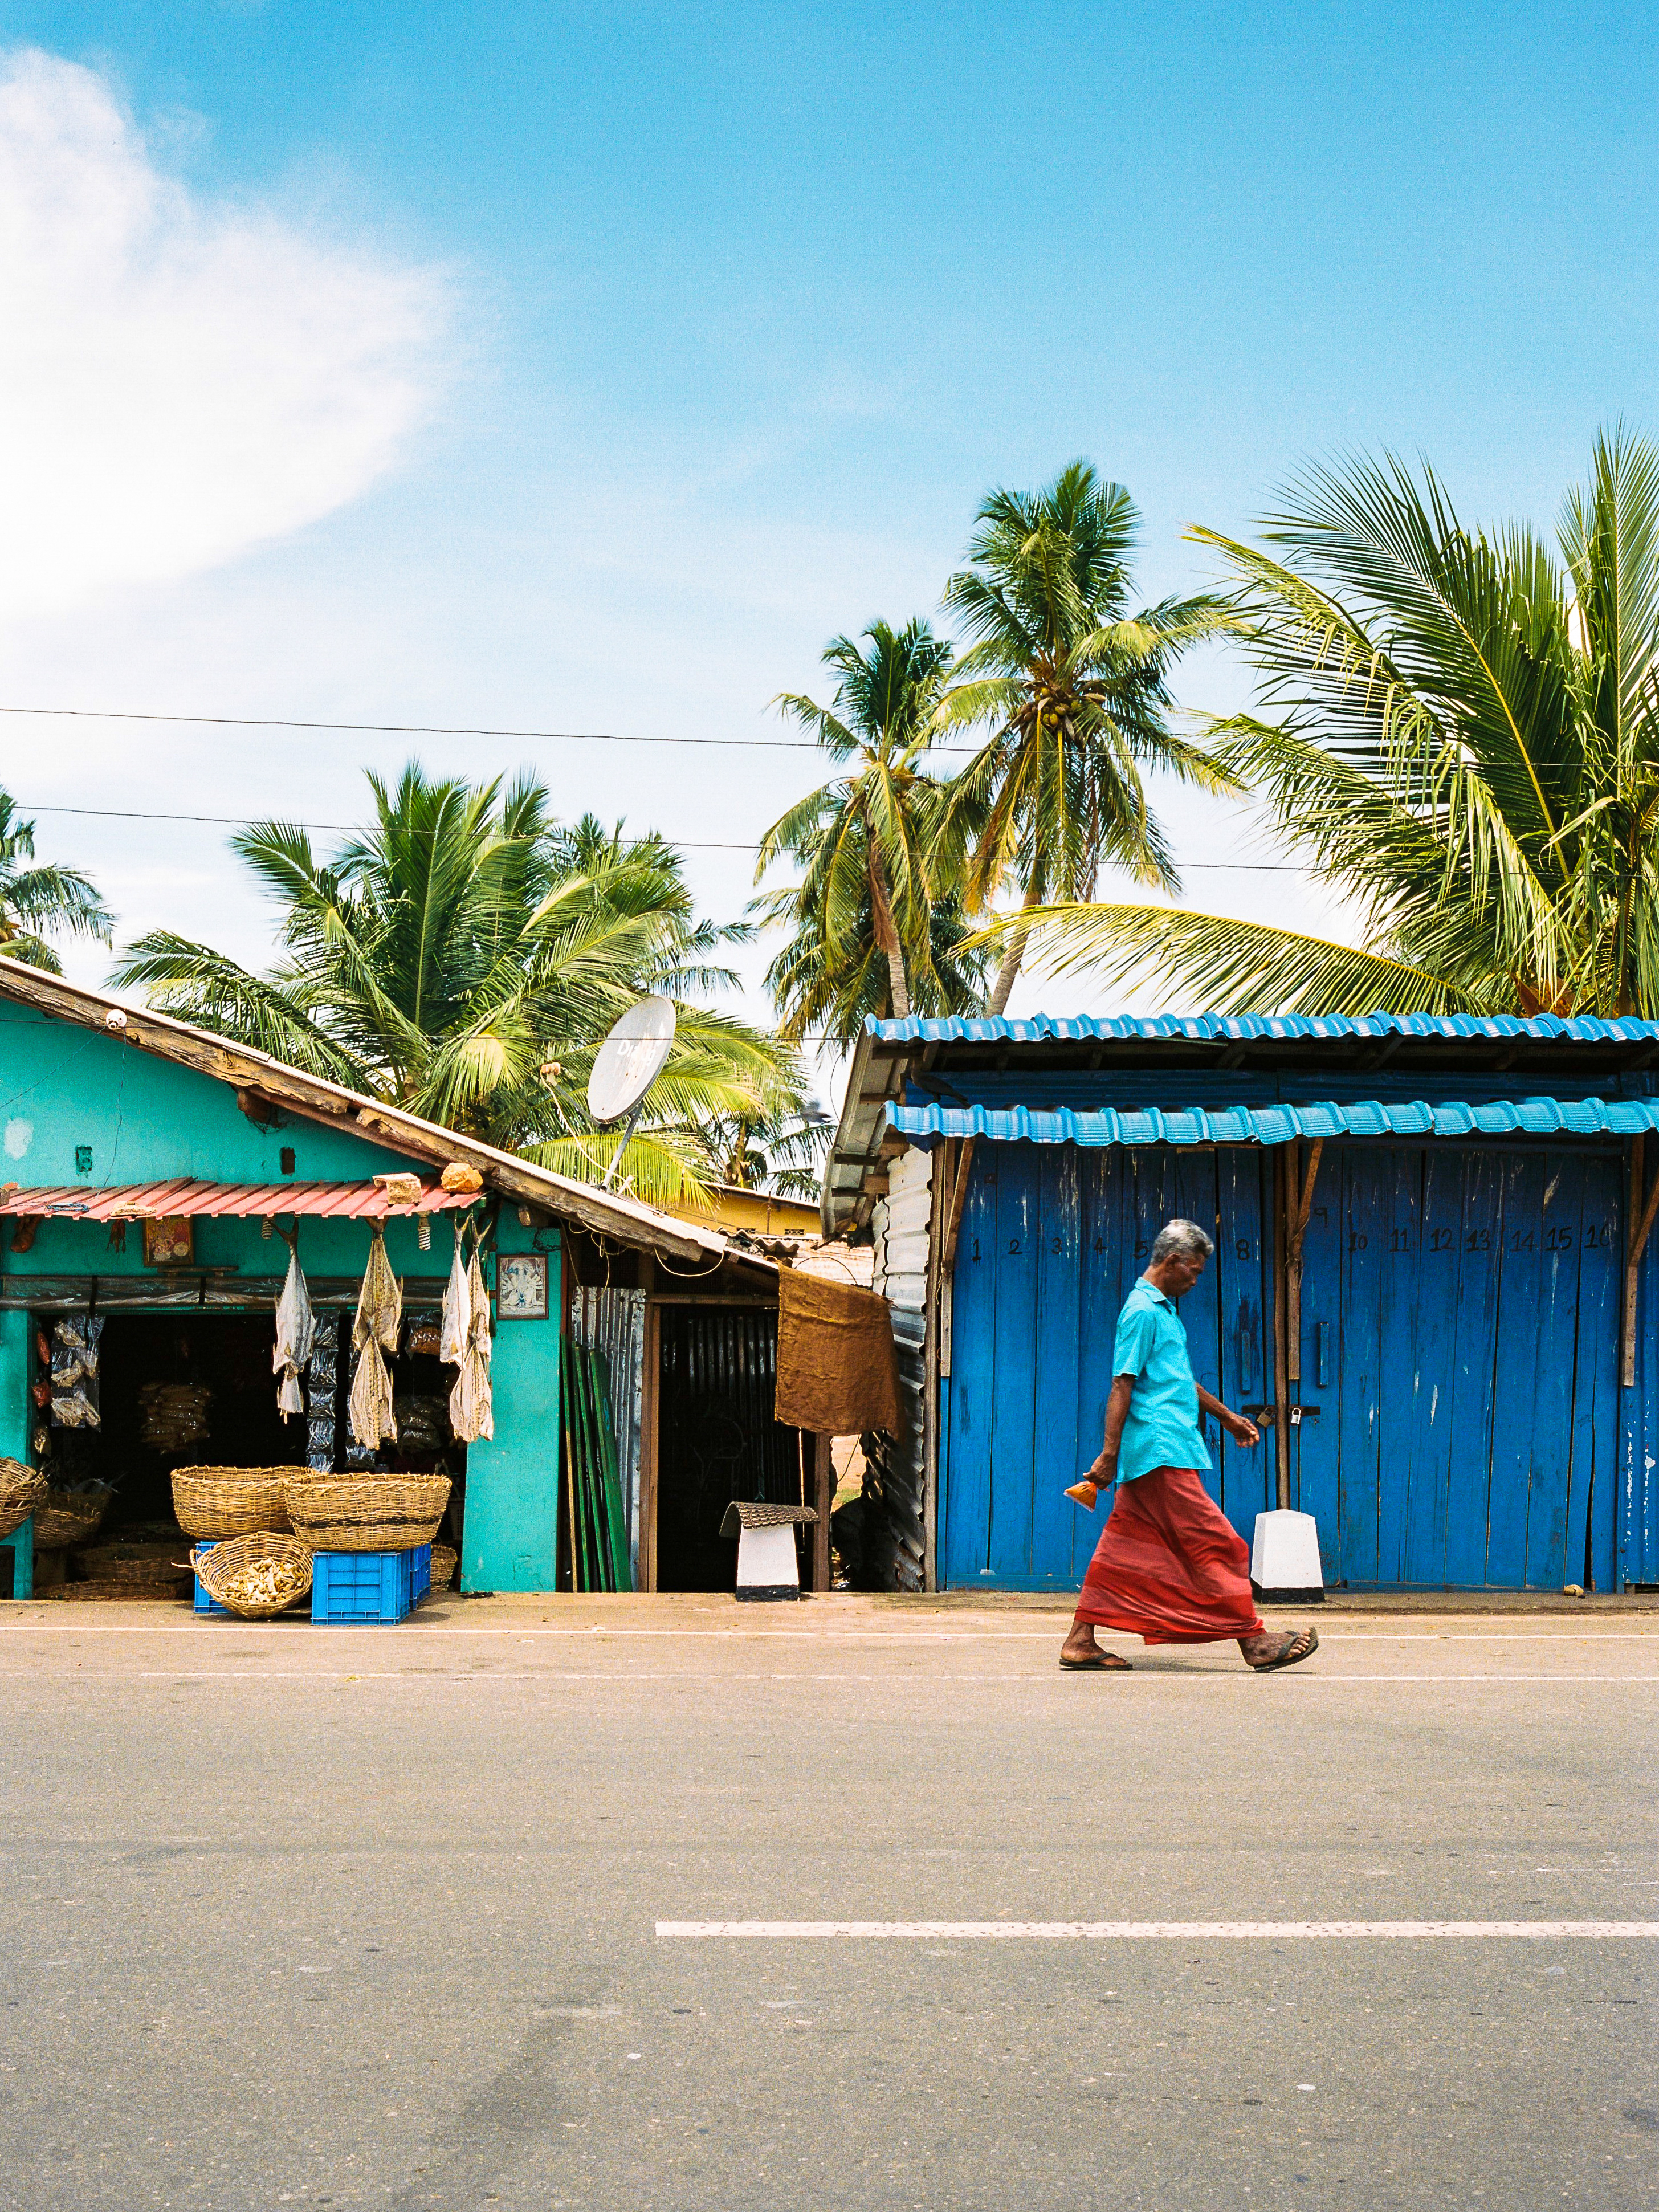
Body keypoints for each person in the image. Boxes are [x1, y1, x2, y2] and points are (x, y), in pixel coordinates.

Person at [1059, 1217, 1319, 1675]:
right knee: (1218, 1543)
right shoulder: (1142, 1312)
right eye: (1194, 1271)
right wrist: (1108, 1452)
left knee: (1126, 1548)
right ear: (1173, 1261)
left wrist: (1227, 1416)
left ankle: (1080, 1640)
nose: (1196, 1281)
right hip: (1159, 1449)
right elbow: (1122, 1383)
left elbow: (1179, 1381)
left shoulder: (1163, 1311)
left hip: (1164, 1447)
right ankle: (1254, 1639)